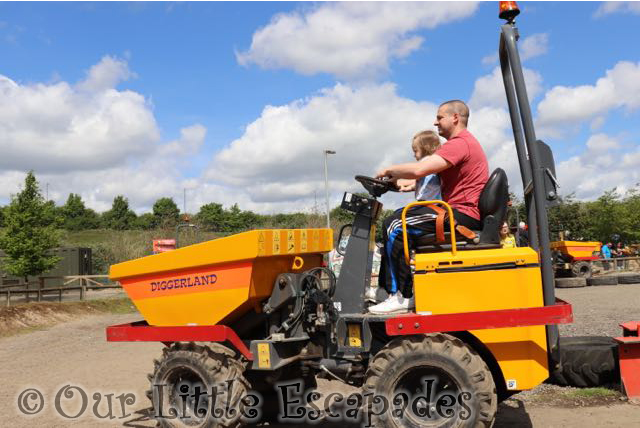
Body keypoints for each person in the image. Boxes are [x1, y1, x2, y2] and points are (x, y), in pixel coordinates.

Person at [368, 100, 489, 314]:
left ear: (455, 118)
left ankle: (402, 296)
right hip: (455, 211)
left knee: (395, 225)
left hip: (460, 214)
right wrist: (396, 183)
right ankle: (392, 290)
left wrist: (388, 169)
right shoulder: (460, 144)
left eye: (440, 117)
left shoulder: (460, 143)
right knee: (397, 219)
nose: (435, 122)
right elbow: (421, 179)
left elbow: (420, 170)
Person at [396, 130, 442, 201]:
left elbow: (414, 173)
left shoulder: (426, 162)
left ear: (425, 148)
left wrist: (396, 175)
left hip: (427, 204)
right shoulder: (433, 165)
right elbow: (422, 183)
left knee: (398, 212)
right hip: (432, 204)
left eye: (415, 151)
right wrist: (407, 188)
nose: (414, 155)